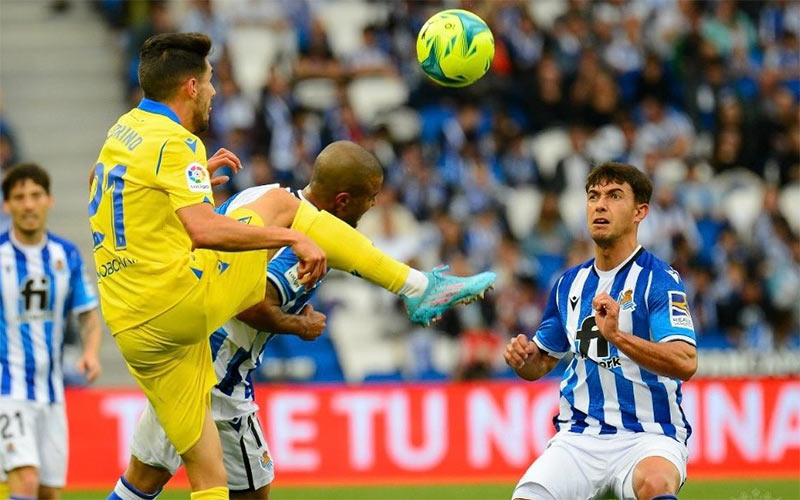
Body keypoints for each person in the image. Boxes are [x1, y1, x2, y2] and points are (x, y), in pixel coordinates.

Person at [90, 32, 494, 500]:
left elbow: (119, 194)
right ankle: (417, 286)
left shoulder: (124, 132)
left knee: (198, 480)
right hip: (181, 311)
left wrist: (185, 176)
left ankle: (417, 286)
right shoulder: (175, 144)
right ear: (191, 87)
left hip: (134, 326)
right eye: (211, 81)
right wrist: (292, 238)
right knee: (284, 207)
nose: (216, 92)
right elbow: (205, 232)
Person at [112, 141, 385, 500]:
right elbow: (248, 301)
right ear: (343, 200)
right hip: (220, 370)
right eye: (370, 196)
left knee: (143, 478)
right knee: (252, 491)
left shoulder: (265, 194)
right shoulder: (308, 242)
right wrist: (301, 326)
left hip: (187, 348)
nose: (374, 204)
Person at [504, 162, 697, 500]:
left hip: (649, 435)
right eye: (593, 196)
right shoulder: (568, 283)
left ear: (640, 212)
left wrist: (619, 337)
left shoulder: (658, 280)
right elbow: (541, 363)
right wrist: (523, 359)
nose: (600, 205)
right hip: (579, 437)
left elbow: (685, 361)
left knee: (654, 485)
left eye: (614, 196)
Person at [0, 164, 102, 500]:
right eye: (19, 197)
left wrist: (89, 352)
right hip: (8, 389)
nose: (28, 205)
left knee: (48, 492)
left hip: (52, 392)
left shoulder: (65, 255)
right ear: (7, 206)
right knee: (25, 479)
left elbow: (87, 313)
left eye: (35, 196)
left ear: (49, 200)